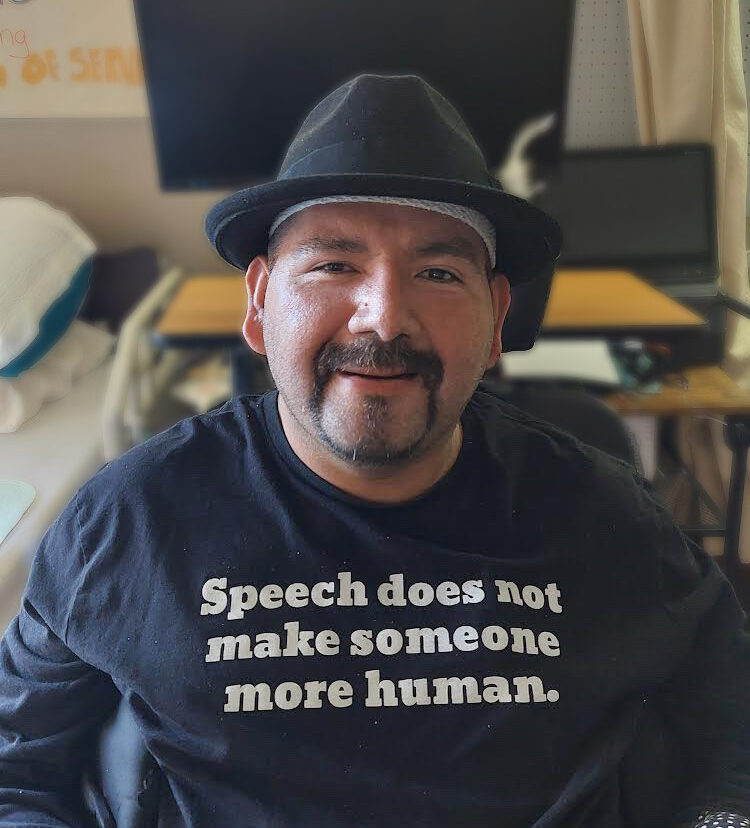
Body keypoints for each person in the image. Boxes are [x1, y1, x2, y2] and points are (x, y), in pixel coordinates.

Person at [0, 73, 748, 828]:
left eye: (438, 273)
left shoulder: (602, 513)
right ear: (259, 305)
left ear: (496, 324)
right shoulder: (128, 522)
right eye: (334, 265)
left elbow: (732, 717)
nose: (384, 318)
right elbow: (17, 766)